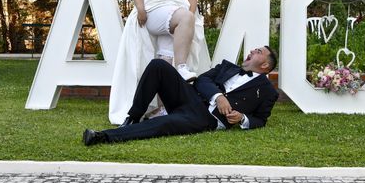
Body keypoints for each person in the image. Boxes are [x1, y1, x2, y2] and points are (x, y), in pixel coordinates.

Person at [108, 0, 211, 125]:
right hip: (155, 10)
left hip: (179, 15)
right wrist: (140, 9)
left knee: (166, 59)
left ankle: (163, 110)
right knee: (184, 21)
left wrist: (189, 19)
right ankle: (182, 67)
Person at [83, 46, 278, 145]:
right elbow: (202, 80)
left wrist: (242, 118)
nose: (252, 50)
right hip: (190, 98)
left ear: (265, 66)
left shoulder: (268, 92)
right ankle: (132, 117)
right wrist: (218, 96)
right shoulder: (227, 67)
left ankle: (102, 137)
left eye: (258, 51)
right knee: (158, 65)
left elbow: (260, 119)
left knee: (164, 124)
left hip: (206, 118)